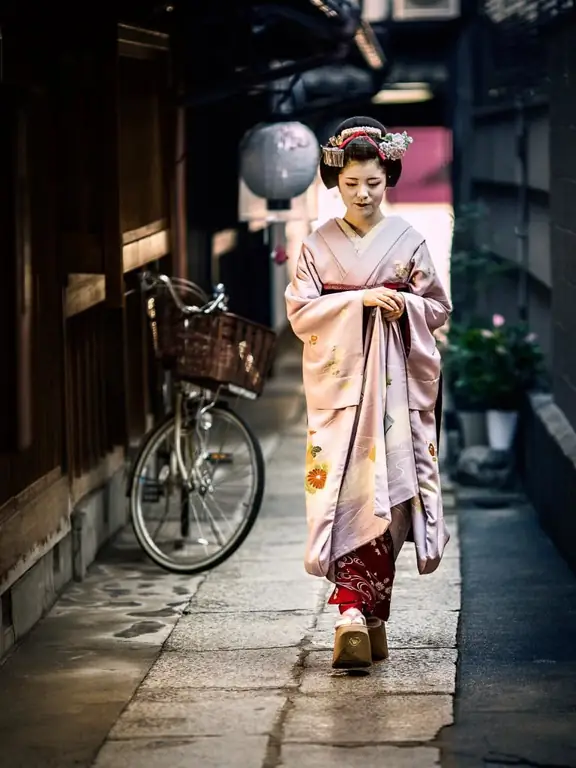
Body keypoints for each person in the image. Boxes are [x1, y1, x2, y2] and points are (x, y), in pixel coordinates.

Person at [285, 116, 452, 670]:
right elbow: (302, 312)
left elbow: (439, 308)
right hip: (341, 394)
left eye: (374, 183)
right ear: (336, 181)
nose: (362, 193)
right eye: (352, 183)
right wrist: (358, 300)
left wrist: (404, 304)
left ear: (389, 178)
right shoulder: (316, 245)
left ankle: (365, 617)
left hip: (396, 392)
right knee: (347, 492)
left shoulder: (409, 241)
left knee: (392, 495)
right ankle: (353, 614)